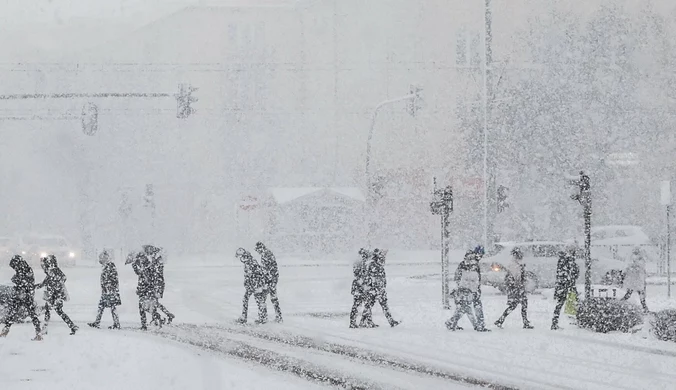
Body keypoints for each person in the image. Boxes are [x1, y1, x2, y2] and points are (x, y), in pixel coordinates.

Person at [0, 255, 42, 340]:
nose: (14, 269)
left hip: (24, 295)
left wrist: (17, 282)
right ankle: (38, 333)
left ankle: (6, 330)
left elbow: (24, 282)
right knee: (16, 313)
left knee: (19, 313)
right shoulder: (24, 270)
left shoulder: (25, 271)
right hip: (22, 295)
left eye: (14, 266)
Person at [36, 255, 78, 335]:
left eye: (45, 264)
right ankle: (71, 326)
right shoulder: (53, 272)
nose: (44, 267)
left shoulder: (53, 272)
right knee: (53, 311)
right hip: (54, 296)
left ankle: (71, 326)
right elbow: (45, 283)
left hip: (55, 296)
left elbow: (48, 282)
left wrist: (54, 289)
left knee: (55, 311)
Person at [359, 249, 400, 328]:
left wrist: (382, 287)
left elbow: (381, 278)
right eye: (381, 259)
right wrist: (375, 288)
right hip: (375, 290)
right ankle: (391, 321)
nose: (383, 261)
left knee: (371, 306)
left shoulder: (377, 266)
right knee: (373, 306)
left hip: (377, 290)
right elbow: (372, 278)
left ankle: (363, 321)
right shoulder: (373, 266)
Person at [494, 247, 533, 329]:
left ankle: (501, 320)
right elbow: (516, 277)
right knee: (518, 305)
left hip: (517, 288)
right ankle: (502, 320)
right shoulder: (513, 265)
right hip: (516, 288)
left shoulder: (516, 263)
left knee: (518, 305)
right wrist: (520, 284)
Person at [446, 251, 480, 331]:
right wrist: (461, 287)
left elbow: (475, 279)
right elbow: (458, 277)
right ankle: (474, 325)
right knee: (466, 308)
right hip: (463, 290)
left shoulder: (472, 266)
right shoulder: (464, 266)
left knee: (462, 308)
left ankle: (451, 322)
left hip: (468, 290)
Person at [88, 250, 121, 330]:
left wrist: (109, 285)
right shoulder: (107, 266)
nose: (100, 261)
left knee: (111, 306)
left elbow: (113, 278)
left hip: (110, 290)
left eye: (101, 259)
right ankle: (98, 322)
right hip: (107, 290)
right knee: (103, 306)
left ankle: (116, 323)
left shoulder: (110, 266)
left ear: (105, 258)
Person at [129, 251, 162, 330]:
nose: (141, 260)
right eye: (140, 258)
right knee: (143, 308)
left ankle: (157, 319)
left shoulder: (148, 266)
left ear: (144, 258)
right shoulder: (143, 266)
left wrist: (146, 287)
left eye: (142, 258)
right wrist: (134, 265)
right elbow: (138, 273)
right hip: (143, 291)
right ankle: (145, 324)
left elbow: (149, 279)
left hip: (147, 291)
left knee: (147, 308)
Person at [236, 248, 268, 324]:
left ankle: (262, 318)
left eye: (239, 257)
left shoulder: (250, 262)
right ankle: (261, 317)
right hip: (253, 285)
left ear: (242, 256)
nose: (240, 259)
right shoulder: (248, 261)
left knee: (259, 301)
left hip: (256, 285)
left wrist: (254, 285)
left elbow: (256, 274)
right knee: (249, 300)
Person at [144, 245, 175, 325]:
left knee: (152, 303)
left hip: (157, 284)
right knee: (154, 303)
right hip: (155, 284)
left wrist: (151, 266)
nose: (148, 252)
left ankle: (161, 317)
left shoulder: (158, 260)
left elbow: (157, 273)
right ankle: (165, 316)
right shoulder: (154, 260)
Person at [551, 246, 580, 330]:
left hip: (563, 284)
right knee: (574, 301)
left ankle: (554, 322)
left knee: (560, 303)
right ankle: (555, 322)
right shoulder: (568, 260)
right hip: (567, 284)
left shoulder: (563, 260)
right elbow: (572, 272)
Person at [255, 242, 282, 323]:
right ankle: (278, 316)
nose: (258, 252)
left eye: (258, 250)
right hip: (272, 280)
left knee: (261, 298)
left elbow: (266, 269)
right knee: (274, 299)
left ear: (260, 248)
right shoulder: (268, 253)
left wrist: (265, 280)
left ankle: (263, 318)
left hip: (269, 280)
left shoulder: (266, 255)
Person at [621, 246, 649, 313]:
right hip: (636, 280)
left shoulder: (636, 259)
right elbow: (640, 267)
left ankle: (621, 303)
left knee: (633, 293)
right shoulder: (636, 259)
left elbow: (628, 268)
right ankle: (644, 307)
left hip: (636, 280)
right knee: (639, 293)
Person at [470, 246, 489, 331]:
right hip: (471, 289)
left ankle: (452, 322)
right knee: (477, 305)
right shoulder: (473, 263)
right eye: (481, 254)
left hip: (470, 288)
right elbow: (473, 277)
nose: (481, 257)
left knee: (463, 307)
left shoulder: (471, 261)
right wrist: (475, 288)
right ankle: (480, 325)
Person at [349, 248, 370, 328]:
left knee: (360, 304)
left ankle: (359, 321)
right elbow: (359, 275)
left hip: (360, 286)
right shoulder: (360, 264)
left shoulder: (360, 263)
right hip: (360, 286)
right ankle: (356, 322)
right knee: (360, 304)